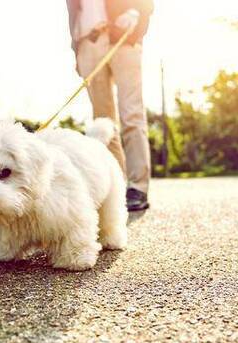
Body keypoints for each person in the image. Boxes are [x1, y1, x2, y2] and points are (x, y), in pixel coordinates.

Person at [66, 0, 153, 212]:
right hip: (87, 42)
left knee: (131, 114)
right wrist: (77, 50)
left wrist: (136, 12)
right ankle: (115, 186)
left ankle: (137, 187)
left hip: (123, 37)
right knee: (103, 124)